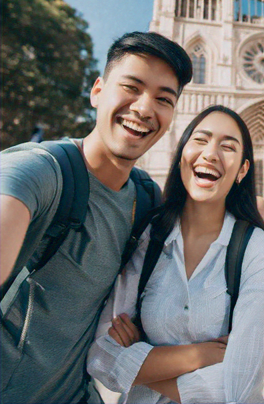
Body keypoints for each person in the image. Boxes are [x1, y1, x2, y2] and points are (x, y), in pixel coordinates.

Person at [0, 31, 193, 403]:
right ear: (97, 90)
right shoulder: (39, 171)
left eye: (163, 99)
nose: (143, 107)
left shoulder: (146, 198)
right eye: (132, 87)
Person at [88, 105, 264, 404]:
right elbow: (100, 355)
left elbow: (240, 387)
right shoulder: (151, 237)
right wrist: (198, 355)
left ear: (243, 169)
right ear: (181, 155)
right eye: (200, 140)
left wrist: (142, 358)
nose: (211, 154)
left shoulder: (254, 247)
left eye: (228, 146)